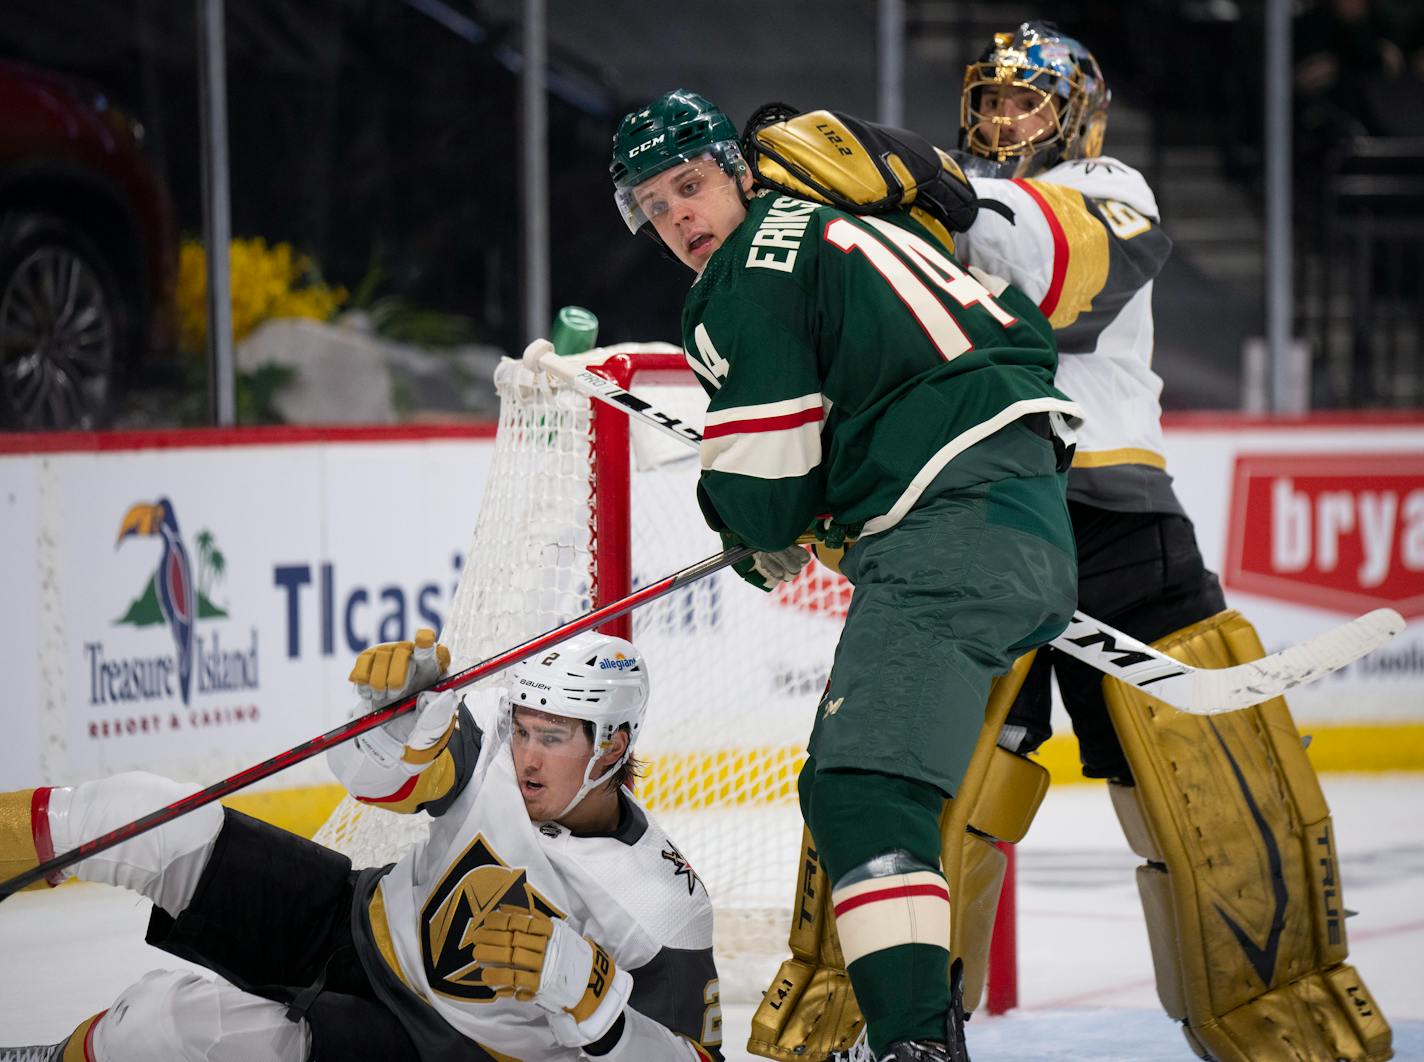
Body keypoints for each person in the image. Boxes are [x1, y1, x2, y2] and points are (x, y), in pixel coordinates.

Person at [607, 89, 1082, 1062]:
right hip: (1020, 512)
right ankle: (915, 1033)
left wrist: (756, 532)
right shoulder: (831, 224)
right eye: (653, 207)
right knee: (867, 787)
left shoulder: (745, 274)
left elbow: (763, 491)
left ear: (738, 173)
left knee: (861, 794)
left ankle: (912, 1045)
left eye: (689, 186)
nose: (677, 219)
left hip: (949, 531)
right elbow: (1006, 348)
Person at [950, 21, 1391, 1062]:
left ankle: (1282, 1032)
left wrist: (921, 189)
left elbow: (1045, 276)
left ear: (1075, 114)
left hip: (1114, 521)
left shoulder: (1112, 187)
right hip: (972, 522)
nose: (1002, 119)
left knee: (1221, 801)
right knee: (921, 796)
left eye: (1026, 101)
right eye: (991, 100)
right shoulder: (935, 215)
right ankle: (895, 1030)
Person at [0, 629, 722, 1062]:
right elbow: (373, 782)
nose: (527, 757)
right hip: (353, 923)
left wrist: (595, 1005)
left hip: (438, 1051)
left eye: (554, 738)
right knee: (143, 815)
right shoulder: (496, 752)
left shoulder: (665, 907)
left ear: (614, 744)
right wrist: (386, 718)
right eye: (524, 728)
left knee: (173, 1027)